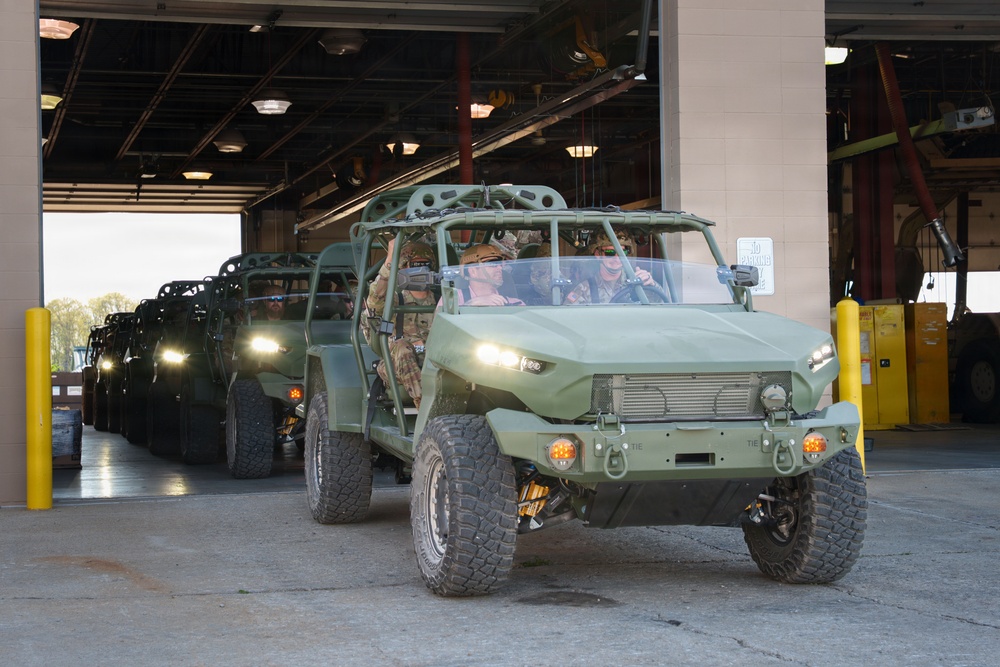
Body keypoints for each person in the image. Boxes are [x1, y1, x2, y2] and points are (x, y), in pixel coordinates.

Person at [366, 239, 437, 408]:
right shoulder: (396, 299)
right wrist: (390, 260)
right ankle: (426, 406)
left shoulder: (442, 298)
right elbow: (375, 301)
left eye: (425, 264)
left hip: (432, 360)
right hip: (397, 364)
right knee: (402, 347)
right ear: (403, 268)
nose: (422, 270)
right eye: (415, 265)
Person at [563, 227, 654, 304]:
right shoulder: (584, 289)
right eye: (610, 252)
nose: (617, 258)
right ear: (598, 254)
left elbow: (661, 306)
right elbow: (569, 319)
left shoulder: (637, 281)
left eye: (622, 252)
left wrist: (651, 285)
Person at [455, 243, 524, 306]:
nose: (500, 268)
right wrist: (469, 305)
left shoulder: (515, 304)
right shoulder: (452, 301)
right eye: (493, 263)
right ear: (473, 271)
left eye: (501, 264)